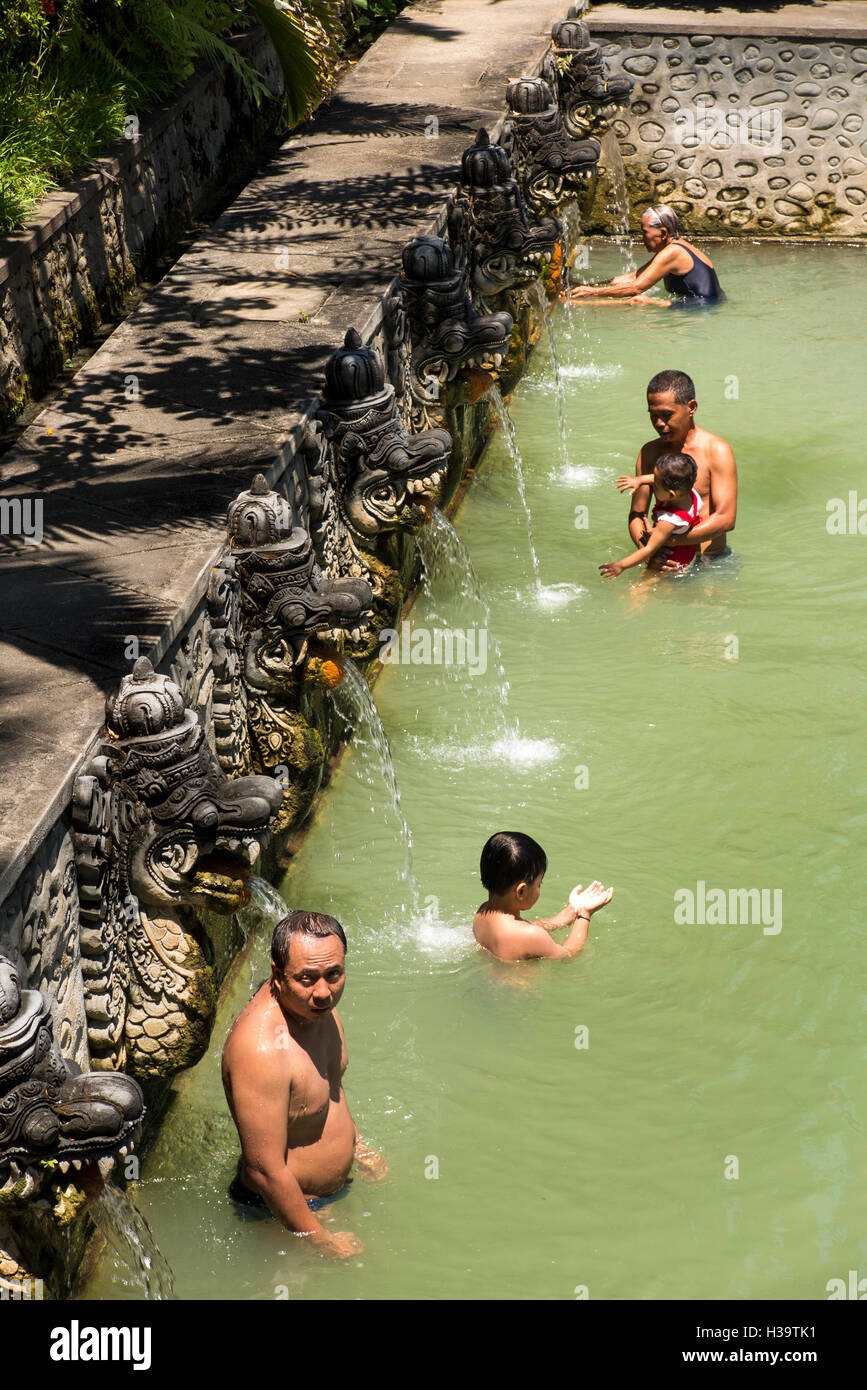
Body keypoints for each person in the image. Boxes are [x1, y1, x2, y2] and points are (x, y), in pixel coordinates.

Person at [221, 910, 386, 1260]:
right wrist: (321, 1240)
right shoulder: (260, 1049)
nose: (324, 991)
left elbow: (331, 1089)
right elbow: (263, 1171)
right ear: (277, 975)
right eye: (307, 978)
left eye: (334, 974)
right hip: (277, 1215)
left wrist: (359, 1147)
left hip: (321, 1205)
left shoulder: (318, 1008)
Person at [617, 369, 737, 566]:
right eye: (653, 415)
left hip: (710, 562)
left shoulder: (717, 450)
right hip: (664, 559)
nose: (659, 423)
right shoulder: (649, 452)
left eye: (666, 415)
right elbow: (637, 514)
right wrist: (647, 551)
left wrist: (668, 541)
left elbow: (726, 518)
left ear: (691, 407)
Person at [472, 831, 613, 963]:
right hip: (522, 988)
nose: (539, 888)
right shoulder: (530, 936)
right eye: (539, 884)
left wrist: (571, 910)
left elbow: (528, 929)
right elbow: (569, 955)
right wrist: (584, 914)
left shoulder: (482, 913)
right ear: (521, 892)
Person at [560, 205, 724, 307]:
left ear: (663, 233)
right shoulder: (675, 246)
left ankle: (576, 304)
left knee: (639, 300)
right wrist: (585, 285)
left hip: (701, 307)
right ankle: (578, 296)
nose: (642, 238)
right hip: (710, 302)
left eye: (645, 233)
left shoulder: (673, 252)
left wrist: (591, 293)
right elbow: (634, 276)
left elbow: (635, 288)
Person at [600, 452, 701, 579]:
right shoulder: (691, 494)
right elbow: (659, 478)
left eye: (656, 485)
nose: (652, 484)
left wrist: (621, 565)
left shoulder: (669, 520)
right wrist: (639, 480)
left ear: (671, 494)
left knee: (641, 589)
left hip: (667, 564)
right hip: (685, 554)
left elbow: (648, 550)